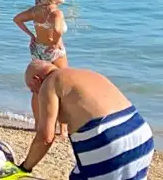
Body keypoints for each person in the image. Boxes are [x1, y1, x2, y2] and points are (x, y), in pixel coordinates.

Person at [18, 60, 153, 178]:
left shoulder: (49, 83)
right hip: (141, 132)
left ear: (36, 80)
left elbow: (45, 137)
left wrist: (24, 167)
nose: (35, 94)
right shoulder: (84, 74)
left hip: (108, 139)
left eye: (32, 89)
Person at [15, 0, 71, 65]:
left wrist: (32, 36)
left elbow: (17, 19)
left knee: (41, 78)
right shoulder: (56, 13)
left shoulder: (34, 10)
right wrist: (55, 44)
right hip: (53, 50)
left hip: (37, 49)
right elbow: (57, 30)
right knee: (62, 77)